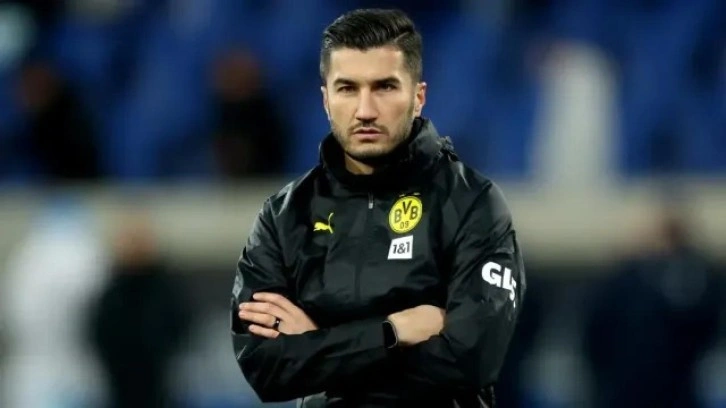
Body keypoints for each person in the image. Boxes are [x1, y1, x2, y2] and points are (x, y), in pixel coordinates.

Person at [230, 8, 526, 407]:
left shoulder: (471, 203)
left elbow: (471, 361)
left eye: (384, 87)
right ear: (325, 99)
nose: (365, 110)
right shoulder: (284, 215)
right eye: (347, 89)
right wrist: (392, 331)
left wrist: (318, 345)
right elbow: (265, 368)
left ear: (418, 97)